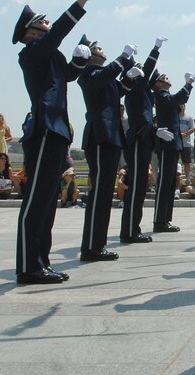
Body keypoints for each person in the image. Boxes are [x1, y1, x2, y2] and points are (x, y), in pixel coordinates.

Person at [13, 0, 99, 284]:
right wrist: (81, 1)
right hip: (45, 129)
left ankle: (41, 262)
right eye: (42, 23)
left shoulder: (49, 55)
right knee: (36, 200)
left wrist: (80, 61)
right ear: (30, 33)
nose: (48, 26)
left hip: (58, 129)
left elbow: (68, 76)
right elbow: (61, 30)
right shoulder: (33, 52)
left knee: (48, 201)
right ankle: (28, 265)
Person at [76, 35, 140, 262]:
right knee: (99, 194)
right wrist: (122, 58)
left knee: (104, 193)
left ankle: (97, 244)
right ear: (91, 55)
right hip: (101, 136)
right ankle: (91, 246)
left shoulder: (102, 77)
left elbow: (116, 90)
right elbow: (105, 77)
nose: (104, 51)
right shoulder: (89, 73)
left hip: (111, 136)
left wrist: (129, 80)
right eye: (100, 49)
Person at [121, 37, 166, 244]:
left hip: (144, 138)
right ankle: (130, 230)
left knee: (140, 187)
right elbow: (148, 67)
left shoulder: (143, 91)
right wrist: (155, 48)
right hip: (138, 139)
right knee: (137, 187)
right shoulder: (137, 88)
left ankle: (132, 228)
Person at [150, 68, 195, 233]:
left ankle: (164, 220)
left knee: (170, 183)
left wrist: (188, 86)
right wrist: (188, 83)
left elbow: (180, 99)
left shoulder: (165, 96)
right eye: (164, 78)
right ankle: (159, 221)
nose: (168, 78)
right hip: (167, 143)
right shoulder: (162, 95)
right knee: (165, 182)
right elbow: (177, 98)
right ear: (158, 84)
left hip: (173, 143)